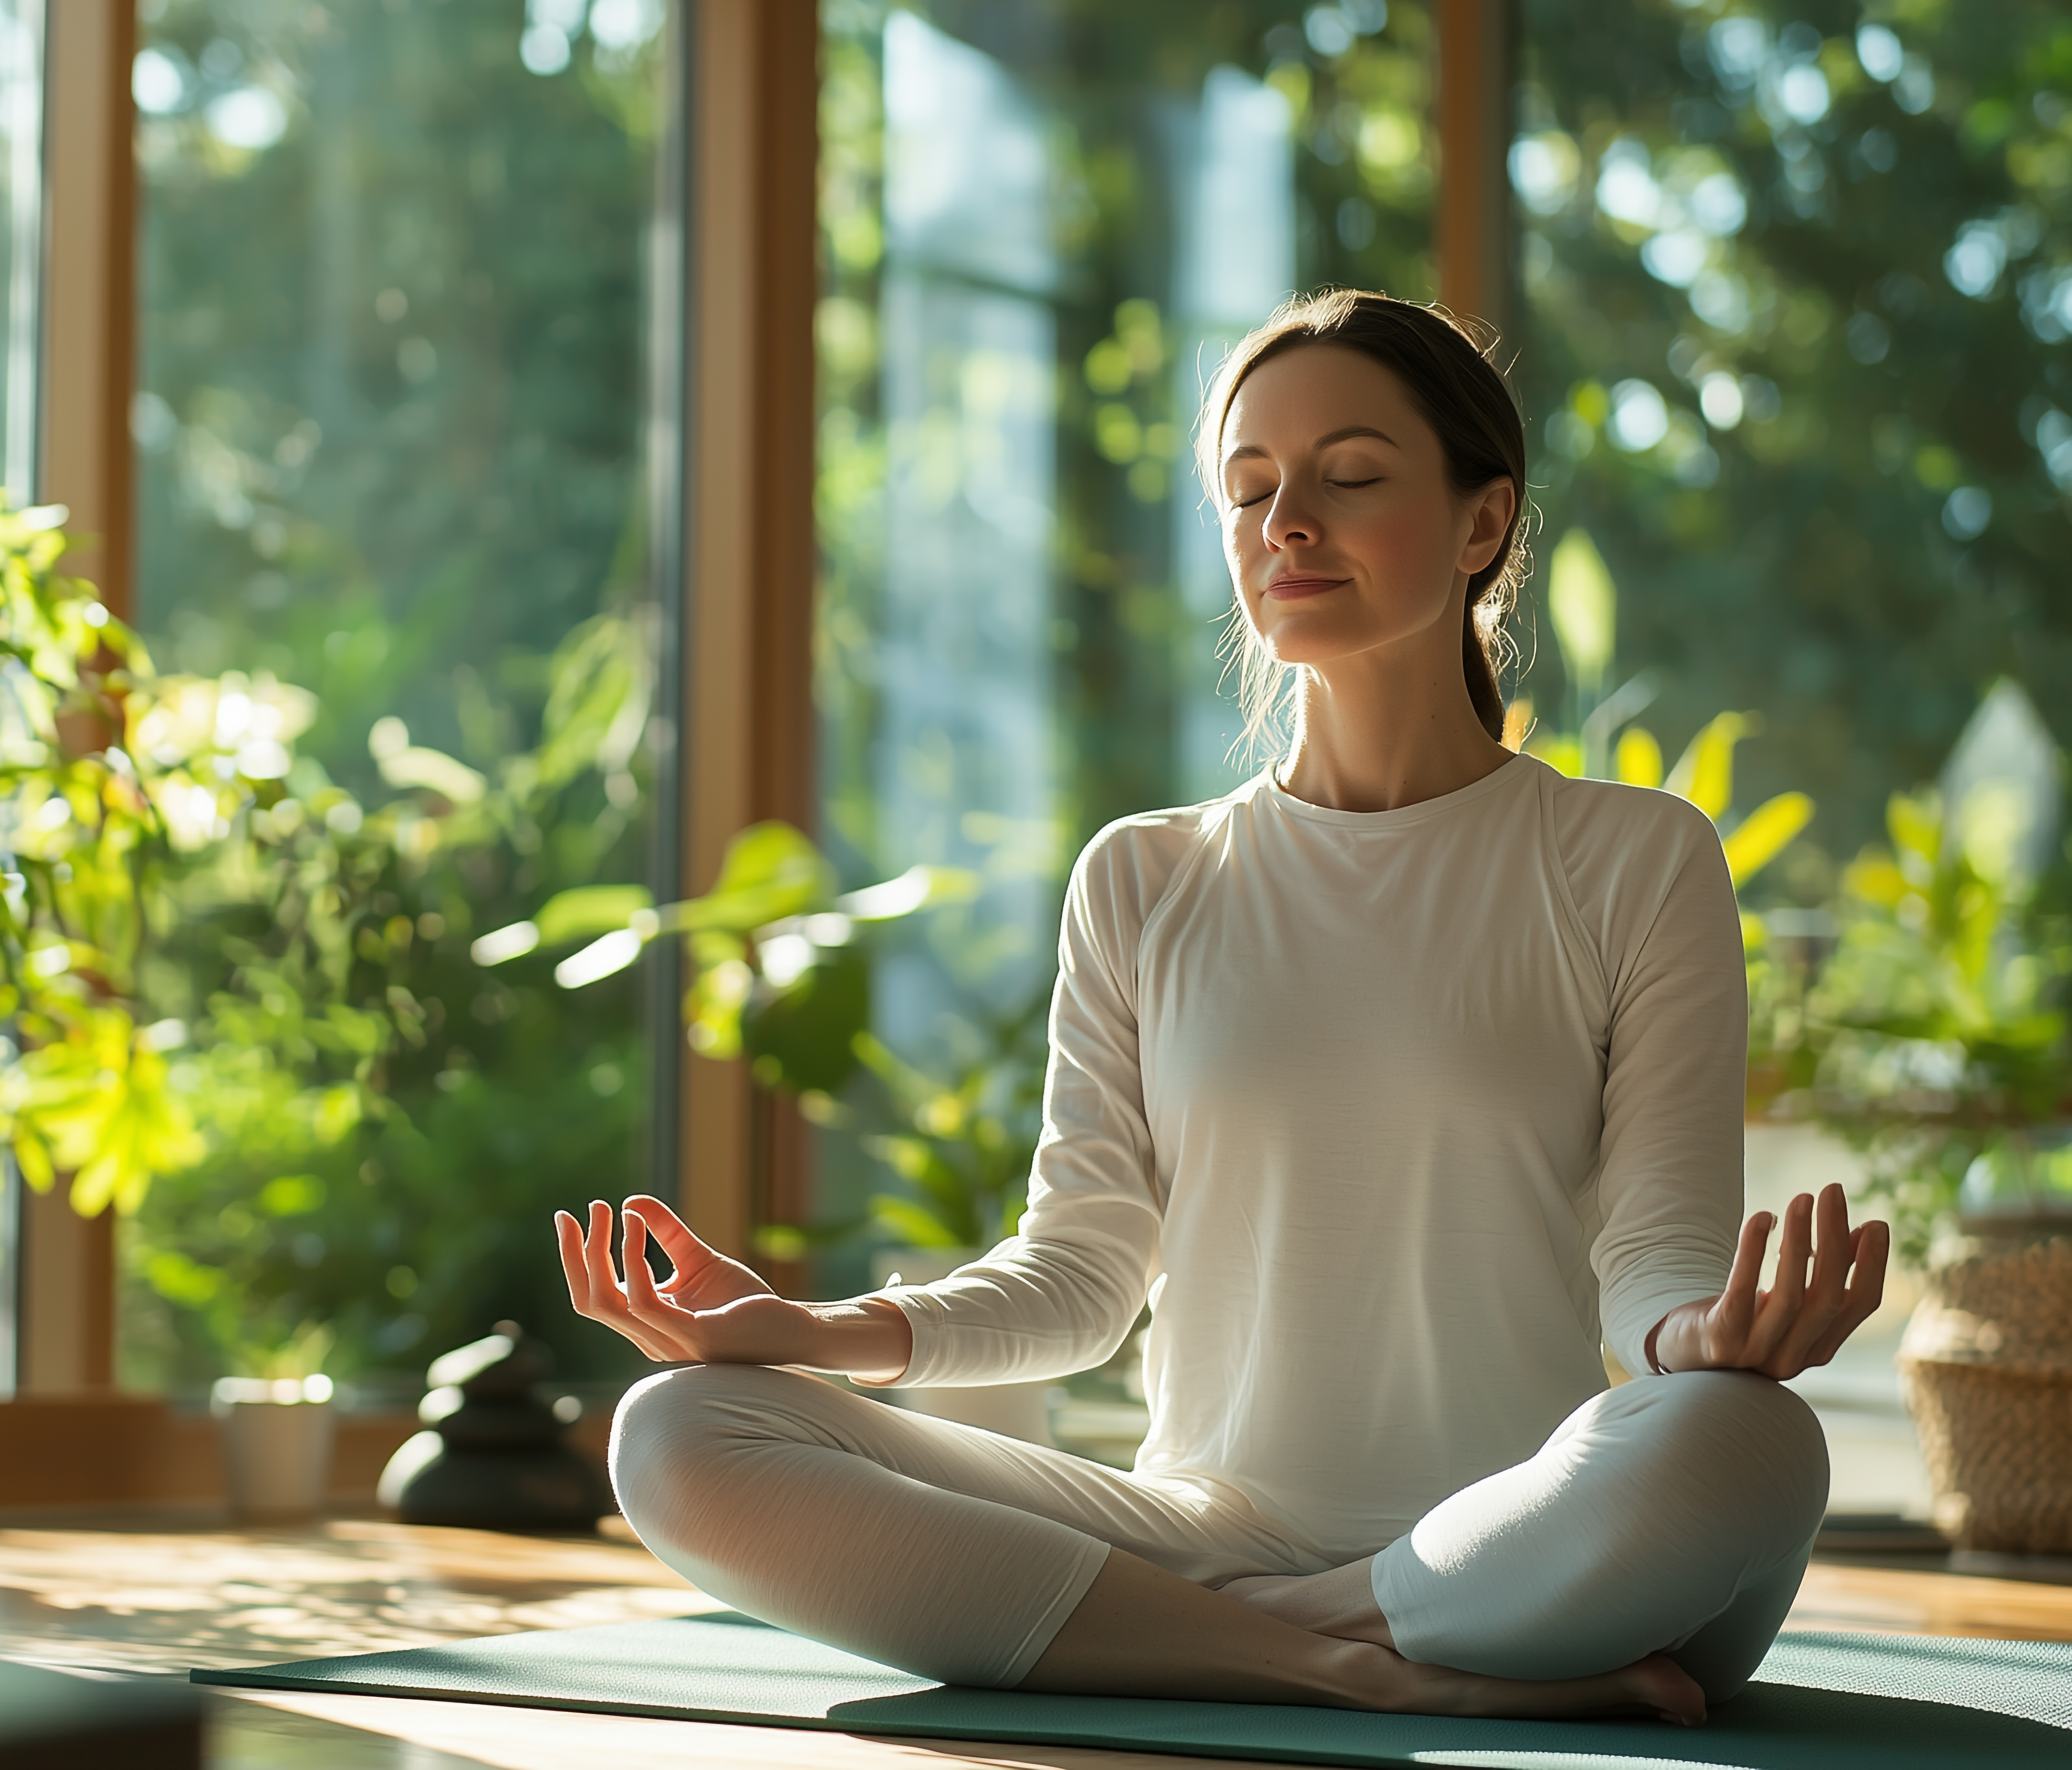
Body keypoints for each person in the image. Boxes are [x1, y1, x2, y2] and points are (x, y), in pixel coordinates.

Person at [553, 288, 1890, 1727]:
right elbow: (1076, 1277)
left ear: (1482, 522)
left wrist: (1710, 1339)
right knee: (683, 1427)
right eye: (1251, 489)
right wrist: (809, 1331)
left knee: (1749, 1443)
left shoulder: (1629, 857)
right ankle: (1345, 1666)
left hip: (1536, 1524)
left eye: (1352, 477)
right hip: (1209, 1523)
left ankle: (1231, 1639)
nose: (1286, 522)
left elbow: (1653, 1264)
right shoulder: (1145, 876)